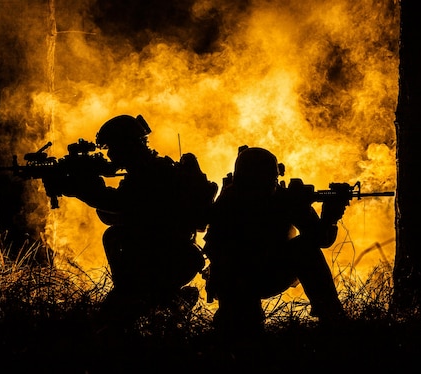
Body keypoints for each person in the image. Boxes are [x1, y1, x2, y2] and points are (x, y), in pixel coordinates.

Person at [57, 114, 218, 332]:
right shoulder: (150, 171)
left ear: (129, 145)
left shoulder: (152, 174)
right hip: (168, 256)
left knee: (114, 316)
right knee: (124, 306)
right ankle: (171, 300)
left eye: (113, 148)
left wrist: (84, 188)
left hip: (169, 258)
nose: (110, 155)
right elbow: (116, 214)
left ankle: (170, 301)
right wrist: (88, 187)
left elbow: (119, 204)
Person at [203, 146, 347, 338]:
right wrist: (328, 217)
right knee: (243, 334)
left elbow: (319, 239)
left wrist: (324, 216)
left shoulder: (277, 198)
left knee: (303, 248)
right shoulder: (230, 202)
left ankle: (332, 318)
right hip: (239, 280)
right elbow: (219, 252)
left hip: (262, 273)